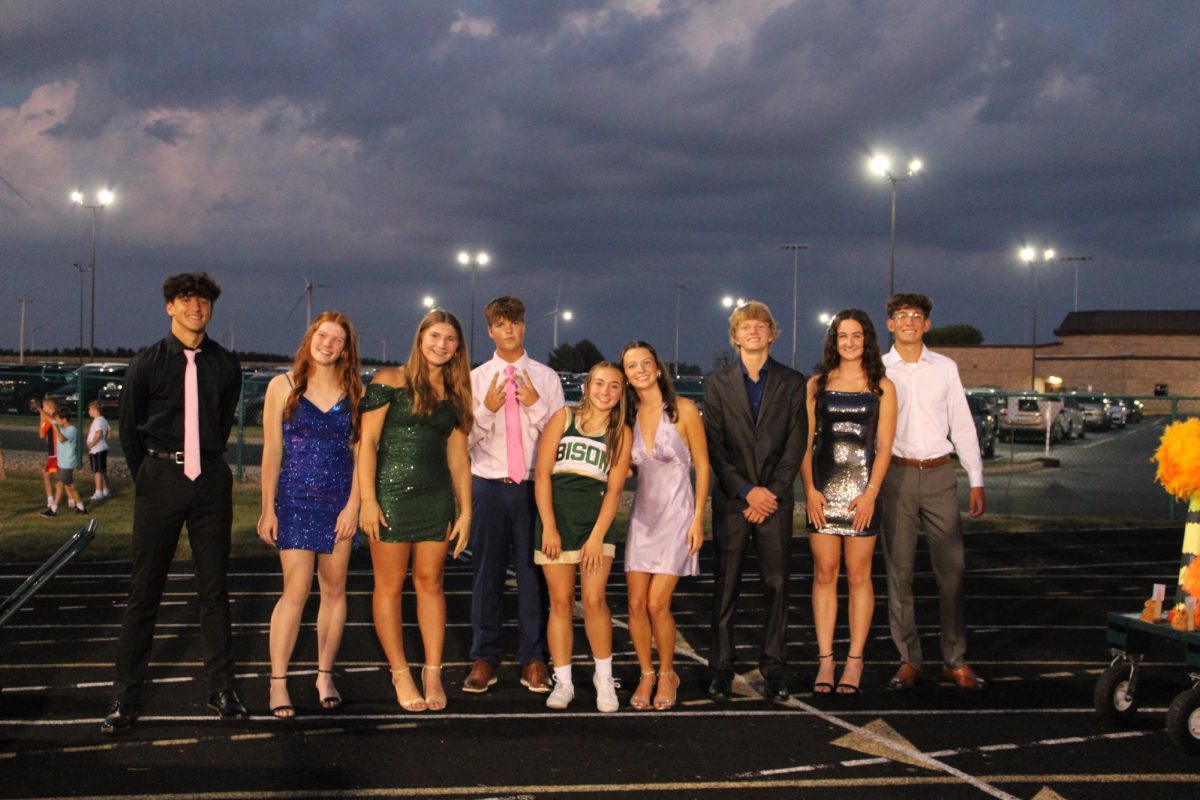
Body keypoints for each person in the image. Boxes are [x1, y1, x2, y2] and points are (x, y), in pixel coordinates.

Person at [103, 272, 244, 735]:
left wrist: (205, 464)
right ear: (170, 307)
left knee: (214, 589)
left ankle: (221, 689)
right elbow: (129, 429)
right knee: (144, 592)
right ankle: (125, 696)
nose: (196, 308)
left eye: (203, 301)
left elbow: (221, 421)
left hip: (209, 480)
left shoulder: (225, 364)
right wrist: (149, 473)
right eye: (186, 300)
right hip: (161, 476)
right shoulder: (146, 363)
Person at [359, 309, 473, 712]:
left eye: (450, 339)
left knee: (431, 583)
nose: (441, 345)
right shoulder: (388, 381)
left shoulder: (457, 393)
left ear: (458, 347)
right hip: (389, 496)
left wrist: (465, 513)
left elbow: (459, 460)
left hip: (435, 498)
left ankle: (432, 671)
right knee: (389, 586)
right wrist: (368, 500)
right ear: (420, 338)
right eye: (435, 336)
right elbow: (367, 443)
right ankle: (400, 671)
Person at [258, 311, 364, 718]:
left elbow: (361, 455)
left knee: (334, 590)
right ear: (310, 337)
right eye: (323, 335)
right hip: (296, 499)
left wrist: (354, 506)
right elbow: (272, 452)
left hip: (339, 501)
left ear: (345, 350)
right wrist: (268, 508)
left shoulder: (355, 390)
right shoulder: (280, 386)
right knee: (296, 590)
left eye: (337, 340)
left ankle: (324, 675)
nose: (328, 344)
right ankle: (278, 682)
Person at [880, 293, 987, 691]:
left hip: (940, 475)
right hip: (896, 477)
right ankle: (909, 660)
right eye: (901, 316)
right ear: (890, 325)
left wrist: (976, 478)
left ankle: (954, 659)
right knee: (899, 574)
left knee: (952, 574)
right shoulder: (879, 369)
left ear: (926, 325)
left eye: (917, 316)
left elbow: (961, 424)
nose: (909, 321)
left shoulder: (945, 368)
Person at [702, 300, 807, 703]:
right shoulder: (717, 384)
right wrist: (747, 491)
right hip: (733, 501)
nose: (753, 331)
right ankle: (721, 669)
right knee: (724, 588)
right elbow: (715, 445)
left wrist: (771, 492)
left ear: (771, 333)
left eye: (760, 325)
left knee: (776, 586)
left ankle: (774, 668)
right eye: (745, 326)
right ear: (734, 336)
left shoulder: (793, 382)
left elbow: (795, 445)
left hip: (775, 503)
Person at [463, 296, 564, 695]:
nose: (509, 330)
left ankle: (533, 658)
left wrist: (535, 405)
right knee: (485, 575)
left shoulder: (547, 377)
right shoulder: (474, 379)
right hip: (488, 485)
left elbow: (558, 437)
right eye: (500, 324)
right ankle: (484, 656)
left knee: (532, 574)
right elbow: (464, 441)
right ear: (490, 330)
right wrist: (486, 409)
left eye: (515, 323)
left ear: (524, 327)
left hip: (532, 488)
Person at [800, 309, 896, 695]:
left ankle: (854, 660)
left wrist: (871, 493)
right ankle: (826, 660)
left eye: (857, 335)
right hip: (823, 489)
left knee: (859, 576)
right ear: (833, 340)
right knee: (825, 573)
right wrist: (809, 490)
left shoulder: (882, 386)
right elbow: (805, 443)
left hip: (862, 492)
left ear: (867, 339)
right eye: (843, 336)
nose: (850, 342)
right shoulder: (817, 383)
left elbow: (885, 445)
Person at [535, 362, 633, 712]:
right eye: (600, 384)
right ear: (587, 386)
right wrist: (548, 525)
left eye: (614, 386)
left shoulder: (621, 431)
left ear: (622, 393)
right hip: (556, 522)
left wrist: (596, 538)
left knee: (593, 600)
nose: (605, 392)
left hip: (595, 523)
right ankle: (564, 682)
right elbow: (544, 475)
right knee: (560, 603)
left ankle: (603, 678)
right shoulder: (564, 418)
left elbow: (615, 490)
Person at [622, 341, 709, 710]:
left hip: (677, 515)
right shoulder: (626, 415)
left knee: (658, 604)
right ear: (625, 375)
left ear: (658, 368)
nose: (639, 369)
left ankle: (668, 672)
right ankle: (646, 673)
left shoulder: (684, 410)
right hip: (643, 517)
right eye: (631, 366)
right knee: (635, 603)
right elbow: (624, 468)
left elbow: (703, 466)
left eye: (645, 363)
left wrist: (698, 520)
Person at [49, 406, 86, 515]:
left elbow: (61, 439)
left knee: (59, 484)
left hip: (68, 463)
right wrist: (39, 408)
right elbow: (49, 418)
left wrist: (55, 428)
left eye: (58, 419)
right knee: (70, 486)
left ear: (64, 419)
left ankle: (53, 510)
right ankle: (81, 507)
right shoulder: (62, 428)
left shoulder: (72, 430)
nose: (56, 421)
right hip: (62, 462)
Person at [35, 396, 63, 515]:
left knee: (48, 476)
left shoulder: (48, 420)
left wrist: (41, 421)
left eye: (44, 407)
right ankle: (73, 501)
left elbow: (41, 435)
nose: (43, 409)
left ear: (50, 408)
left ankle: (50, 501)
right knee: (63, 478)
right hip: (59, 453)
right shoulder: (59, 418)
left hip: (54, 455)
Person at [86, 400, 112, 501]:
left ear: (94, 409)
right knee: (102, 470)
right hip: (102, 448)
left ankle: (98, 492)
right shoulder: (103, 420)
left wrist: (91, 444)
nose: (89, 411)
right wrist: (104, 439)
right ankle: (106, 490)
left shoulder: (97, 421)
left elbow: (99, 433)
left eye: (89, 409)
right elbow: (109, 432)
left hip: (97, 449)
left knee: (97, 471)